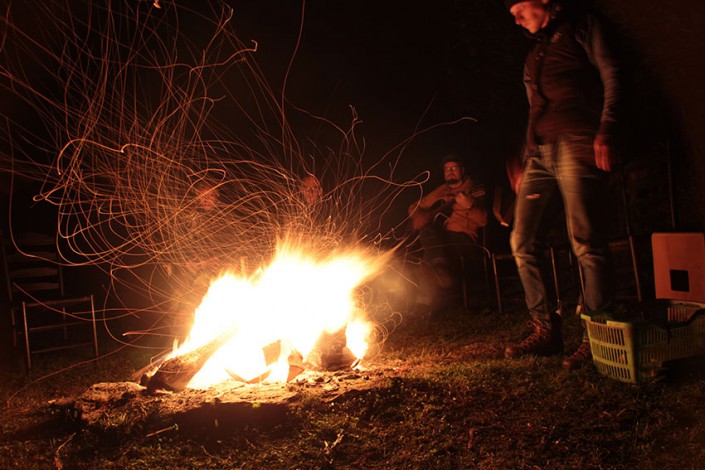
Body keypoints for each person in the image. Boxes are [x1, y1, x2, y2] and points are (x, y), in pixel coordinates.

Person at [503, 0, 621, 370]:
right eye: (512, 16)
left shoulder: (582, 28)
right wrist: (525, 156)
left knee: (585, 239)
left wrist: (607, 128)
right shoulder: (534, 54)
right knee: (521, 241)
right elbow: (533, 107)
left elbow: (612, 74)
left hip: (577, 139)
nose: (517, 19)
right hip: (540, 152)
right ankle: (546, 329)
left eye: (520, 9)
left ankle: (598, 334)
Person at [408, 154, 487, 307]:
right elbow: (414, 206)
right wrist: (419, 216)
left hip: (463, 238)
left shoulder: (475, 189)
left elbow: (484, 220)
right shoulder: (442, 190)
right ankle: (439, 270)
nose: (450, 172)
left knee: (430, 254)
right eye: (446, 169)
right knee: (426, 232)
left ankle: (425, 301)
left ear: (462, 170)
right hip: (441, 237)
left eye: (454, 168)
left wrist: (470, 206)